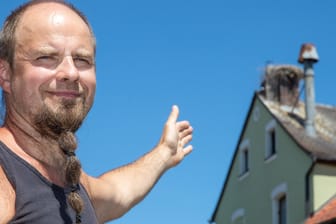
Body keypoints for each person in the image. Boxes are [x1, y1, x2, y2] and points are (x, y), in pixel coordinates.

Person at [0, 1, 193, 223]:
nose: (71, 73)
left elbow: (118, 192)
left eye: (82, 60)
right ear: (5, 74)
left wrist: (165, 153)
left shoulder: (73, 187)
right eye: (46, 57)